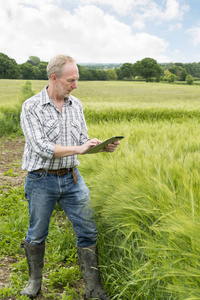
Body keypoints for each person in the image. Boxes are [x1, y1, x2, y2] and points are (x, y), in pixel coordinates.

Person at [20, 54, 120, 299]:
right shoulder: (31, 107)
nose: (75, 85)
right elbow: (41, 147)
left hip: (72, 179)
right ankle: (34, 282)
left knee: (88, 231)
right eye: (71, 80)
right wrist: (79, 149)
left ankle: (93, 288)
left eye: (76, 80)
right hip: (41, 180)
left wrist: (97, 145)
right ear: (54, 79)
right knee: (37, 232)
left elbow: (80, 140)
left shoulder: (77, 105)